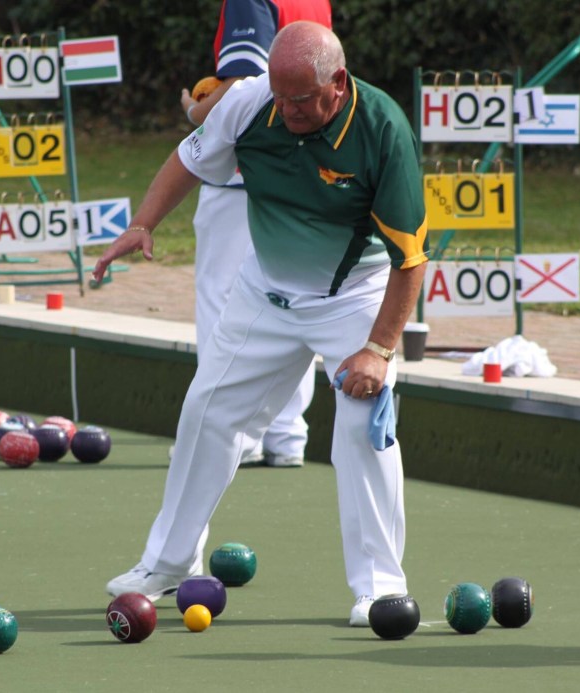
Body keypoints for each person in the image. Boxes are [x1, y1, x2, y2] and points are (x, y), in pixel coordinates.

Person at [93, 22, 428, 626]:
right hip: (263, 290)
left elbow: (410, 259)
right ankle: (167, 563)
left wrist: (379, 349)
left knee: (363, 430)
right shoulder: (250, 103)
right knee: (206, 411)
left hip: (352, 297)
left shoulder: (382, 129)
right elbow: (188, 159)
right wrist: (143, 223)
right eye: (280, 96)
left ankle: (380, 587)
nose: (287, 110)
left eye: (301, 99)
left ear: (338, 83)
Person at [179, 0, 332, 468]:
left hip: (242, 171)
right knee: (289, 296)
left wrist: (196, 110)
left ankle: (231, 434)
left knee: (222, 296)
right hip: (301, 170)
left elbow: (245, 82)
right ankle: (286, 433)